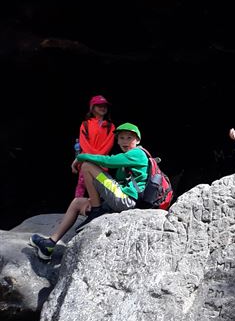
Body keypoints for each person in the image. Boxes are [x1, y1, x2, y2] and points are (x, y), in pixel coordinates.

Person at [30, 123, 149, 261]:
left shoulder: (137, 153)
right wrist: (98, 199)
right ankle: (50, 244)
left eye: (129, 138)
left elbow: (108, 161)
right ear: (117, 141)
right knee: (77, 203)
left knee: (87, 166)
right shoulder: (126, 158)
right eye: (121, 138)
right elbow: (117, 182)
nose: (125, 141)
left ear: (138, 140)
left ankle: (96, 210)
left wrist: (81, 157)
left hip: (127, 201)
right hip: (120, 199)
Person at [74, 95, 115, 198]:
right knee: (82, 187)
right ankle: (78, 205)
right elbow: (84, 144)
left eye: (104, 106)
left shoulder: (110, 126)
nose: (103, 108)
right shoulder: (85, 124)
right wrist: (92, 157)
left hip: (102, 162)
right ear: (92, 108)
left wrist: (97, 158)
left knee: (102, 186)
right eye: (99, 105)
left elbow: (108, 145)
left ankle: (98, 206)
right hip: (87, 161)